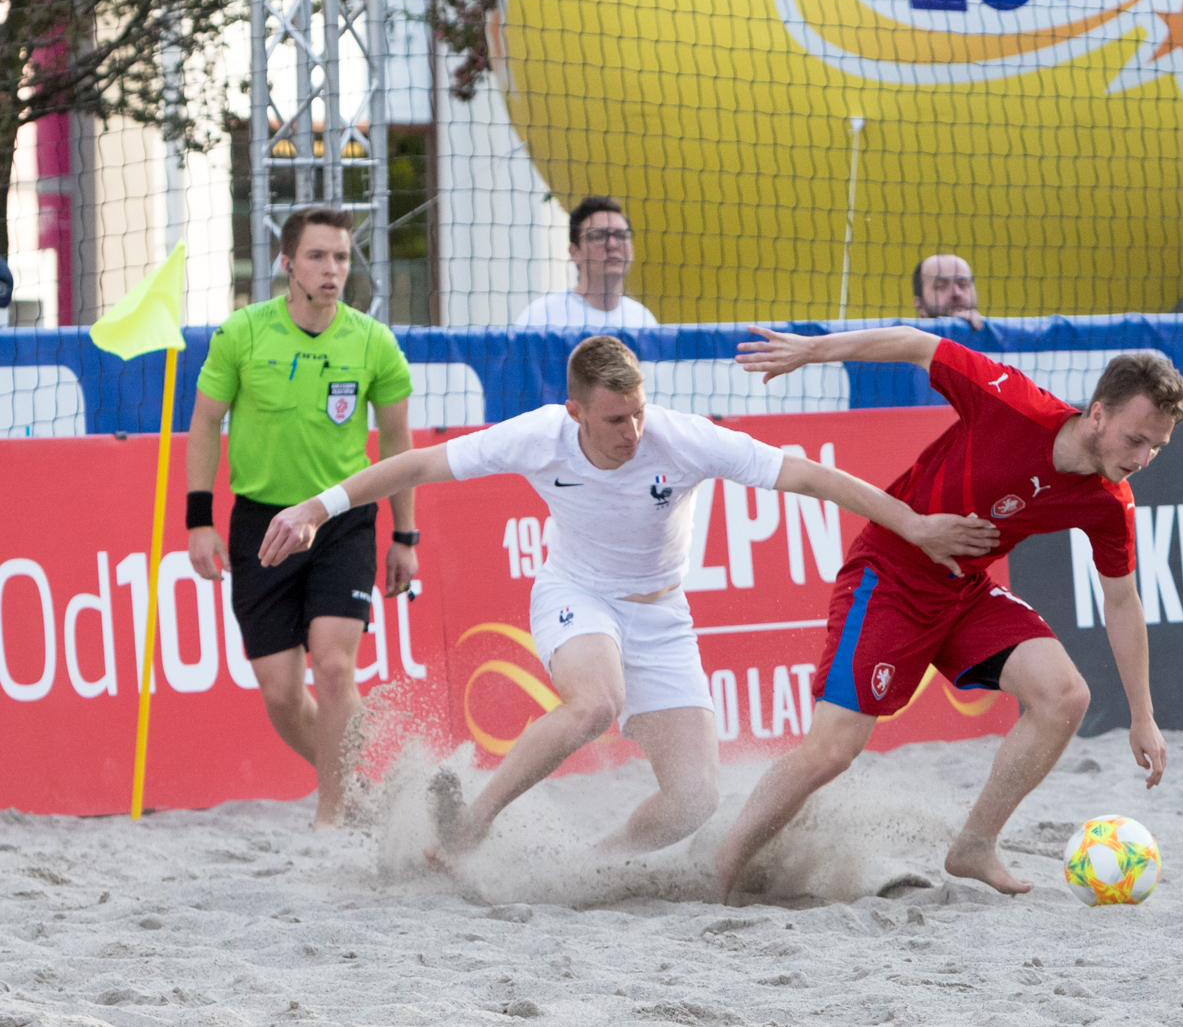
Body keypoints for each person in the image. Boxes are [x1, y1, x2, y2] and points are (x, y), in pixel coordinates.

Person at [257, 335, 1000, 861]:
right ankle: (472, 821)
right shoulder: (540, 436)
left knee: (692, 801)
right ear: (576, 411)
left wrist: (914, 524)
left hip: (663, 615)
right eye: (615, 418)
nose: (632, 430)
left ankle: (593, 862)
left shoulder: (680, 438)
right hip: (575, 594)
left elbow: (813, 478)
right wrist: (317, 508)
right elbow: (417, 461)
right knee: (594, 703)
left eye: (638, 411)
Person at [716, 325, 1183, 900]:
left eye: (1156, 448)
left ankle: (974, 846)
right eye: (1136, 439)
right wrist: (812, 351)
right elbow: (917, 343)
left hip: (963, 590)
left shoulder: (1110, 502)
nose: (1142, 458)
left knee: (1065, 697)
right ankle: (722, 866)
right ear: (1096, 415)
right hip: (889, 574)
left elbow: (1121, 600)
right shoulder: (1010, 401)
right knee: (832, 752)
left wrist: (1144, 715)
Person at [186, 206, 417, 829]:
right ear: (288, 264)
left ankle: (332, 815)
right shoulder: (243, 333)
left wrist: (405, 536)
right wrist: (198, 519)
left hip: (342, 518)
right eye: (318, 256)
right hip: (263, 523)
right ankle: (360, 787)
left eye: (341, 257)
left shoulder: (373, 342)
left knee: (335, 666)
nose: (332, 269)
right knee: (284, 695)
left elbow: (398, 447)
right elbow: (206, 421)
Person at [514, 196, 659, 328]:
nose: (613, 244)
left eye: (622, 235)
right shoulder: (541, 317)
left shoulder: (643, 320)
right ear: (575, 252)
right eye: (599, 236)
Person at [913, 254, 984, 330]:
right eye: (941, 286)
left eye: (963, 284)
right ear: (920, 305)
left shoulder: (995, 338)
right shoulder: (907, 340)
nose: (956, 293)